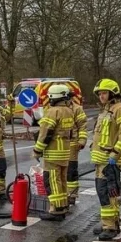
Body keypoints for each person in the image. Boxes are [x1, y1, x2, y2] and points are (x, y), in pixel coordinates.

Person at [91, 78, 121, 240]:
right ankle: (109, 222)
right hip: (101, 160)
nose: (101, 96)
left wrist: (115, 156)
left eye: (104, 93)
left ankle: (111, 227)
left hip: (110, 160)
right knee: (105, 192)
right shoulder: (106, 111)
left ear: (112, 93)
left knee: (107, 192)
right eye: (99, 93)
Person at [32, 84, 77, 221]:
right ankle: (63, 206)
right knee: (62, 180)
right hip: (64, 151)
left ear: (53, 97)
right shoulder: (69, 111)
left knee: (52, 181)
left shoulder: (52, 112)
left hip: (53, 152)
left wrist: (37, 150)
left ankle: (56, 210)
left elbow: (45, 134)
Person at [66, 92, 89, 206]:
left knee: (71, 170)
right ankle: (62, 195)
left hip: (72, 143)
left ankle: (72, 195)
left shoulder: (77, 109)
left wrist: (82, 141)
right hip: (59, 144)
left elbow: (82, 126)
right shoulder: (56, 108)